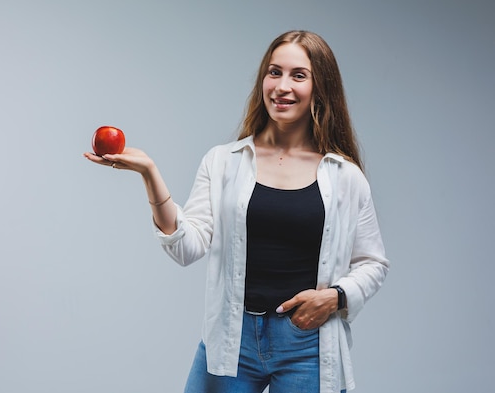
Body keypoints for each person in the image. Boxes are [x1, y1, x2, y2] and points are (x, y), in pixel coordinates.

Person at [84, 30, 389, 393]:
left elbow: (373, 263)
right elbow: (187, 247)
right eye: (274, 72)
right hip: (232, 337)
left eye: (298, 75)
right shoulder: (223, 162)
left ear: (321, 88)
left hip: (307, 342)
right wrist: (150, 173)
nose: (282, 86)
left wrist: (335, 296)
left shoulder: (345, 176)